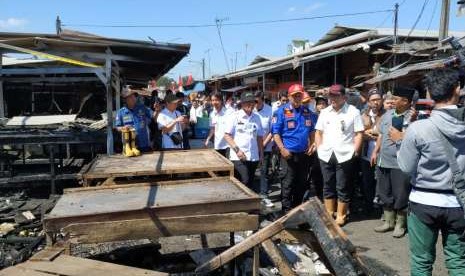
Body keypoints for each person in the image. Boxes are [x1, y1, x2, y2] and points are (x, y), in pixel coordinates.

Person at [398, 68, 465, 275]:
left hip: (424, 202)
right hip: (458, 203)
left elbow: (406, 167)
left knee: (421, 261)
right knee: (457, 260)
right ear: (457, 89)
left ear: (429, 93)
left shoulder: (418, 128)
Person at [315, 84, 364, 226]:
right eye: (331, 95)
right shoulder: (325, 112)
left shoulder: (353, 111)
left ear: (344, 97)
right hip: (326, 154)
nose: (333, 98)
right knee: (328, 184)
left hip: (345, 154)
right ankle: (330, 213)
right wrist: (319, 149)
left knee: (342, 186)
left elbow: (359, 133)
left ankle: (341, 214)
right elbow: (318, 132)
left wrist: (355, 150)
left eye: (336, 95)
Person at [370, 87, 416, 238]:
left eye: (396, 98)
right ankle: (388, 222)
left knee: (401, 194)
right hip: (384, 161)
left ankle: (400, 224)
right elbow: (381, 135)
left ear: (406, 101)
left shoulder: (413, 117)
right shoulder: (388, 115)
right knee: (384, 192)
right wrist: (375, 151)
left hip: (401, 163)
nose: (392, 101)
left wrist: (412, 123)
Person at [272, 84, 318, 213]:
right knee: (287, 182)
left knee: (301, 182)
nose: (297, 98)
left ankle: (296, 209)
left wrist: (313, 144)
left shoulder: (306, 111)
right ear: (289, 97)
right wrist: (282, 149)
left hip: (304, 153)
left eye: (299, 95)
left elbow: (312, 131)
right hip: (288, 153)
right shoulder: (281, 111)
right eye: (294, 95)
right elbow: (275, 133)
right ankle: (286, 211)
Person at [224, 92, 264, 190]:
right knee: (244, 180)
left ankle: (248, 204)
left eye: (252, 102)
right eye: (247, 102)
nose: (250, 104)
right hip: (238, 156)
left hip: (253, 156)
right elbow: (227, 135)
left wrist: (261, 154)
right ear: (241, 104)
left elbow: (259, 137)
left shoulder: (257, 117)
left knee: (250, 182)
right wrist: (237, 150)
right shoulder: (235, 116)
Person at [360, 88, 384, 210]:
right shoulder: (363, 116)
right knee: (367, 181)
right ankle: (368, 204)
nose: (375, 102)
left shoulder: (387, 115)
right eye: (373, 100)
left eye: (378, 99)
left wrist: (376, 133)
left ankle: (380, 206)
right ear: (368, 102)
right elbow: (357, 133)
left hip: (382, 155)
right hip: (365, 154)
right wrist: (364, 135)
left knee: (380, 182)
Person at [115, 88, 154, 156]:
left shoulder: (142, 107)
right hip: (129, 147)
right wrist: (123, 128)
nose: (133, 98)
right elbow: (117, 127)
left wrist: (157, 111)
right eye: (130, 97)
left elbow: (152, 116)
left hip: (144, 144)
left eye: (134, 96)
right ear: (125, 100)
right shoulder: (121, 112)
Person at [254, 91, 274, 207]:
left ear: (262, 100)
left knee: (264, 171)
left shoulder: (270, 110)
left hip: (265, 146)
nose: (254, 103)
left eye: (256, 101)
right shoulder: (250, 110)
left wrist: (264, 144)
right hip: (251, 147)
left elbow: (272, 130)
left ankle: (264, 194)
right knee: (250, 172)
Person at [205, 92, 233, 157]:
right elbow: (213, 128)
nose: (214, 102)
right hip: (217, 144)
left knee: (229, 165)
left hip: (228, 145)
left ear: (221, 101)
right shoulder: (212, 114)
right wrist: (208, 139)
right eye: (213, 100)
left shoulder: (229, 112)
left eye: (217, 100)